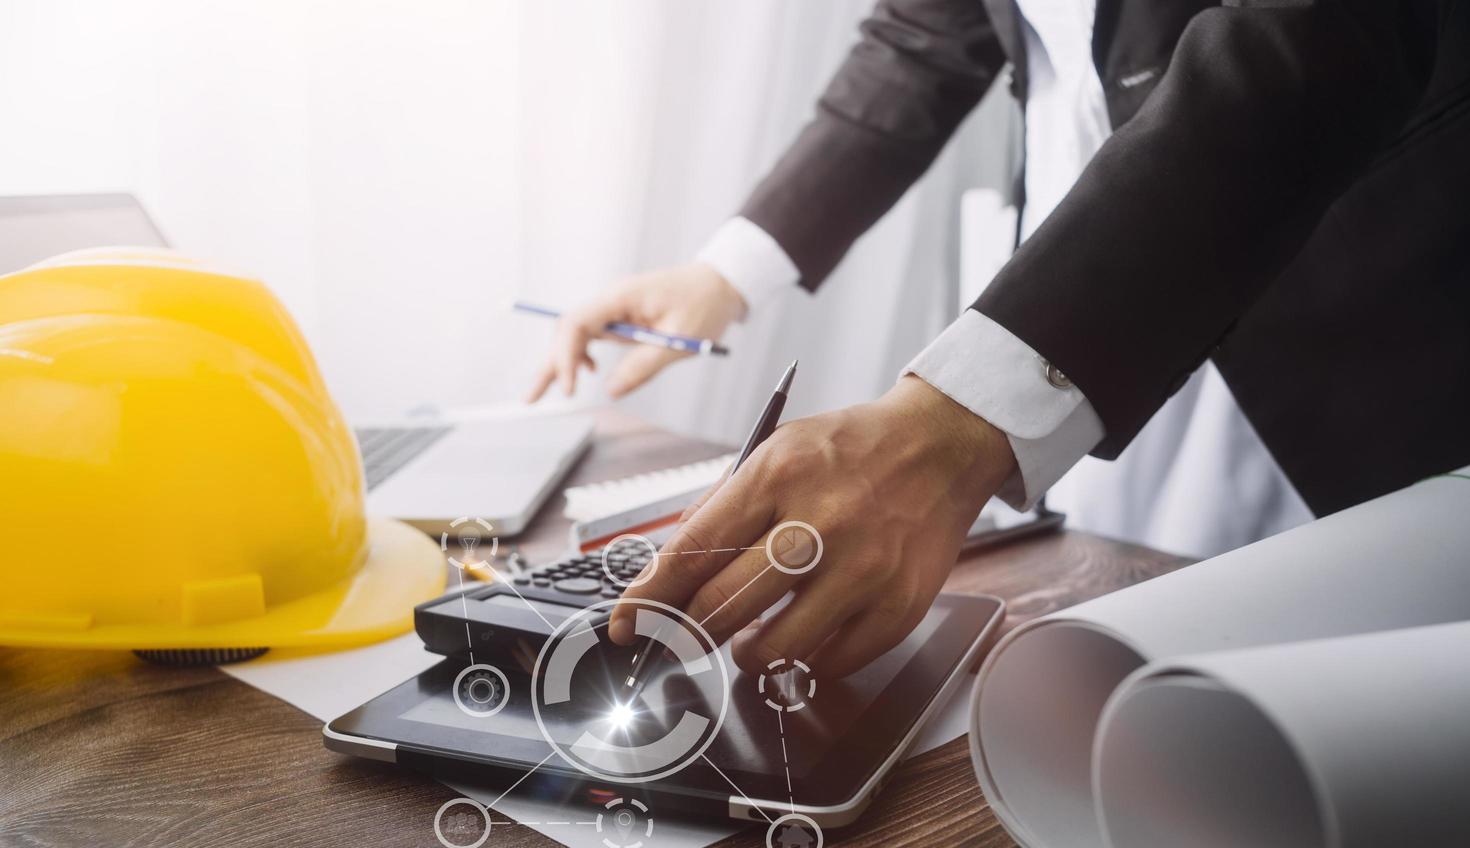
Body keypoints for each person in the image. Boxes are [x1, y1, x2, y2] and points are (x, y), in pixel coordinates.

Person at [528, 0, 1470, 678]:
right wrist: (731, 270)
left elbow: (1321, 28)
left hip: (1325, 265)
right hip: (1079, 299)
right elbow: (928, 29)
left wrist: (958, 419)